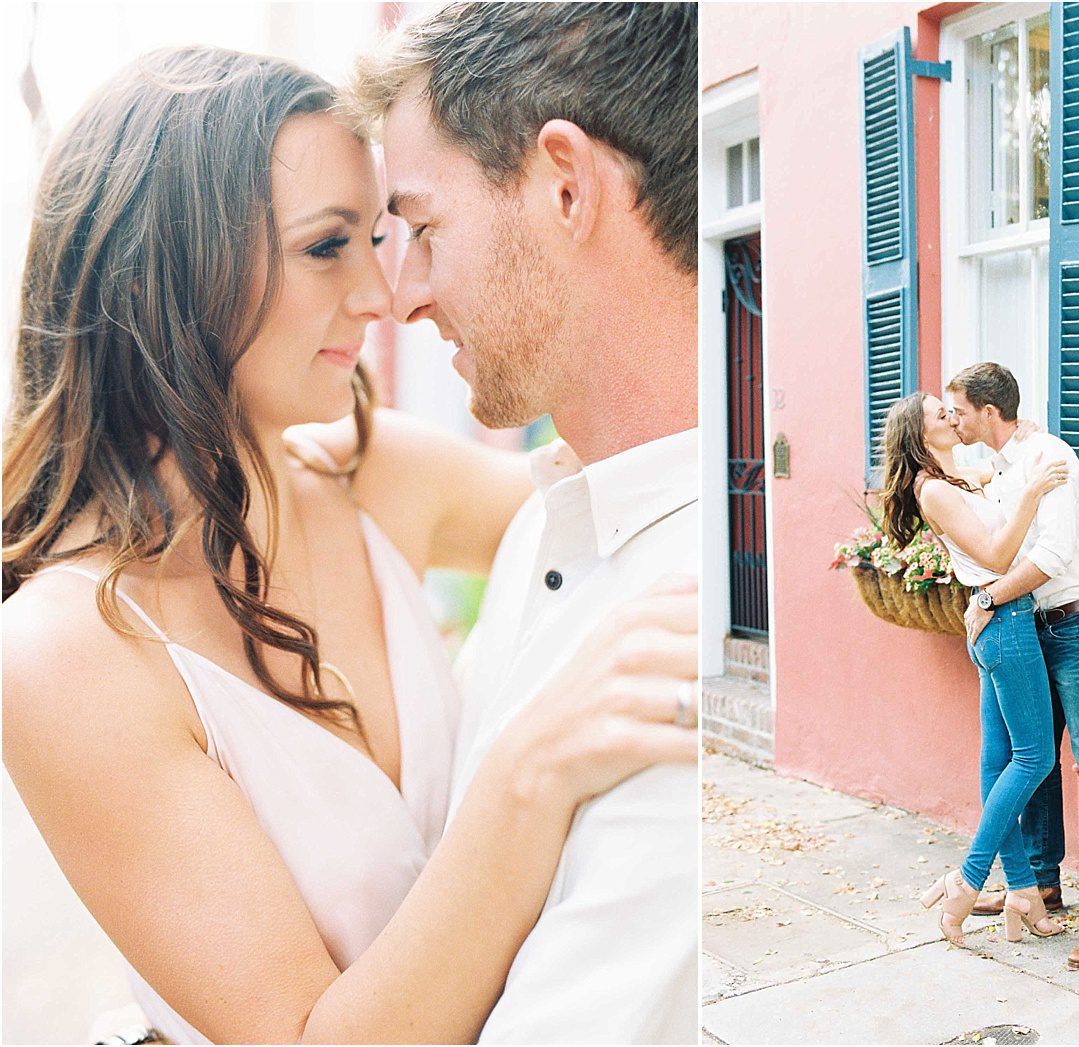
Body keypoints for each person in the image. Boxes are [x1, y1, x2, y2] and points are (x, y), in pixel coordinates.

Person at [1, 45, 697, 1045]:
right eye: (330, 246)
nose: (382, 295)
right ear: (169, 268)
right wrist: (528, 775)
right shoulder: (65, 654)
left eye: (388, 235)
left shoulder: (372, 476)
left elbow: (624, 511)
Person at [343, 3, 699, 1041]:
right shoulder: (546, 527)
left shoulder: (680, 649)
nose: (399, 295)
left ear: (563, 184)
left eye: (422, 228)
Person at [946, 361, 1079, 969]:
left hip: (1075, 624)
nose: (953, 420)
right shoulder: (1005, 464)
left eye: (959, 411)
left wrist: (986, 597)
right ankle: (1041, 885)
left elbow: (1054, 555)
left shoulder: (1049, 456)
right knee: (1037, 763)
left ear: (988, 411)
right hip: (1031, 627)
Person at [879, 392, 1069, 947]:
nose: (953, 418)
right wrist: (1033, 493)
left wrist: (1019, 439)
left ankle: (1024, 892)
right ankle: (968, 878)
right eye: (943, 415)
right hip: (1005, 619)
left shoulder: (955, 478)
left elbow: (994, 468)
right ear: (921, 435)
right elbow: (996, 556)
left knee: (997, 763)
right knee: (1034, 756)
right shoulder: (935, 490)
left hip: (995, 621)